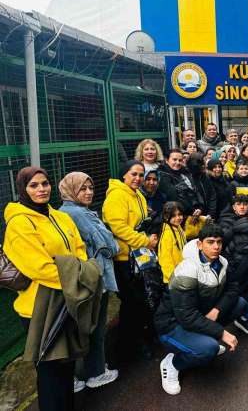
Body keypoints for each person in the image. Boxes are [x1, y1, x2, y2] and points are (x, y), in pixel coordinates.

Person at [3, 167, 89, 411]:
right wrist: (79, 277)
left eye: (45, 183)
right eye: (33, 185)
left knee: (67, 363)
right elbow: (39, 268)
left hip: (68, 298)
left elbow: (79, 247)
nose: (41, 189)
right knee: (50, 371)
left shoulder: (60, 216)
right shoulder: (19, 223)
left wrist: (77, 271)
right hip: (39, 307)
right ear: (23, 189)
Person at [154, 225, 244, 395]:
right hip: (172, 324)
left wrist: (217, 309)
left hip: (199, 314)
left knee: (238, 303)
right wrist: (221, 333)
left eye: (219, 242)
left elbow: (233, 289)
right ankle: (172, 364)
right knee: (208, 349)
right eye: (210, 242)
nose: (216, 247)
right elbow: (186, 316)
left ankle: (202, 337)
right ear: (199, 245)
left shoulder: (222, 262)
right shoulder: (187, 269)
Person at [59, 172, 120, 392]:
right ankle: (96, 373)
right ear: (70, 190)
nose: (88, 192)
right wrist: (115, 246)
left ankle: (76, 376)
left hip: (80, 279)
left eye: (90, 188)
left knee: (78, 329)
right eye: (82, 189)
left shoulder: (65, 211)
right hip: (94, 278)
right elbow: (108, 244)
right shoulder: (78, 213)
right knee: (95, 328)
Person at [103, 161, 159, 362]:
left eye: (140, 174)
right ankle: (126, 348)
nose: (138, 178)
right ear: (123, 175)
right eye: (133, 174)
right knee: (131, 303)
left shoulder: (138, 194)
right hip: (124, 259)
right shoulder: (117, 196)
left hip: (139, 257)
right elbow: (119, 228)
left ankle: (137, 341)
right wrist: (145, 240)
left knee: (142, 300)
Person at [158, 201, 205, 284]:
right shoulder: (166, 235)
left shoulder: (178, 228)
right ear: (166, 217)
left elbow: (188, 235)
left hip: (183, 275)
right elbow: (165, 260)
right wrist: (174, 278)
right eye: (173, 216)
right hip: (174, 281)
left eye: (180, 214)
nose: (178, 218)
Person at [158, 149, 202, 216]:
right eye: (174, 160)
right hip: (177, 215)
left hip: (194, 213)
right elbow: (173, 196)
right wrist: (192, 211)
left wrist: (199, 208)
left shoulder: (186, 173)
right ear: (167, 160)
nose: (178, 162)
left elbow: (195, 191)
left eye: (180, 160)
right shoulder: (162, 175)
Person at [187, 153, 218, 219]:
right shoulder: (188, 179)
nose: (206, 165)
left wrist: (211, 213)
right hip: (194, 216)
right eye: (203, 163)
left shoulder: (206, 177)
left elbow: (212, 195)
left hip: (208, 216)